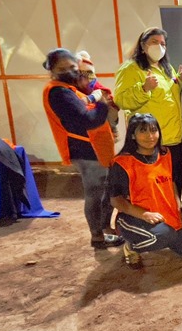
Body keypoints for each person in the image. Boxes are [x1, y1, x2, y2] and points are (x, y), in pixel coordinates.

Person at [41, 48, 122, 250]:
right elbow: (88, 120)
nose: (70, 71)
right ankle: (98, 237)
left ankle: (101, 232)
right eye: (63, 68)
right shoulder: (58, 92)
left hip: (93, 148)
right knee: (95, 194)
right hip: (86, 150)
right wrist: (102, 104)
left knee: (100, 191)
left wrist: (93, 96)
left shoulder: (67, 89)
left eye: (73, 67)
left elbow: (83, 104)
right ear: (52, 70)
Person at [109, 113, 182, 269]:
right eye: (143, 131)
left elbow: (171, 182)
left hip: (167, 215)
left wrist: (178, 205)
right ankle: (131, 247)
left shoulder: (166, 154)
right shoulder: (122, 162)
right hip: (136, 217)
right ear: (133, 135)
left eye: (153, 130)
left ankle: (162, 234)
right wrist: (144, 214)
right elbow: (116, 200)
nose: (150, 136)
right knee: (163, 236)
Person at [114, 27, 182, 192]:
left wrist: (180, 81)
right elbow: (121, 99)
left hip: (174, 139)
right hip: (152, 141)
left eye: (162, 43)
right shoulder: (131, 68)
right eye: (154, 42)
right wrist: (143, 89)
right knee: (158, 188)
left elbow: (169, 96)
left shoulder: (166, 68)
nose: (159, 46)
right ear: (142, 45)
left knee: (177, 185)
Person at [76, 50, 121, 143]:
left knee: (109, 124)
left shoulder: (93, 83)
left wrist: (89, 99)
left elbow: (99, 93)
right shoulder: (77, 86)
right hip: (99, 116)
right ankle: (113, 132)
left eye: (84, 77)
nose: (82, 81)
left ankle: (113, 131)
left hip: (109, 110)